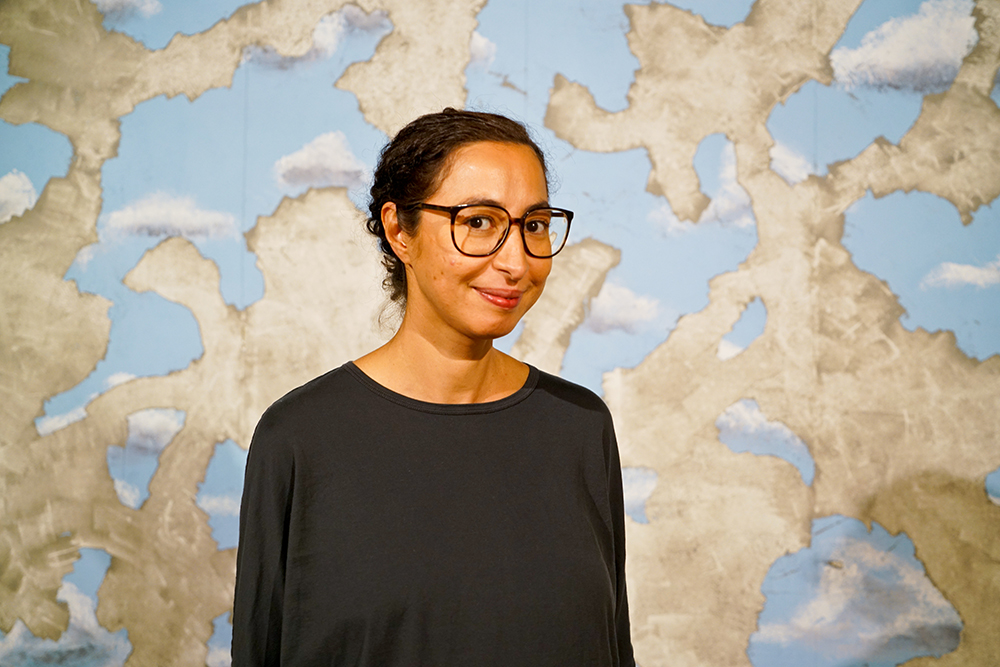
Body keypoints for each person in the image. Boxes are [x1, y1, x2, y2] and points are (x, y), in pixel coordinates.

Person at [232, 108, 635, 666]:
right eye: (479, 222)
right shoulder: (301, 437)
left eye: (534, 225)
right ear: (400, 231)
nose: (516, 262)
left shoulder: (580, 426)